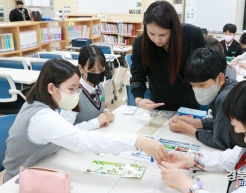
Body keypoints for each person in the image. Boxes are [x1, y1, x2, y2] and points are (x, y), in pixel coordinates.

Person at [3, 59, 169, 182]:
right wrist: (138, 141)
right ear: (51, 88)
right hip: (20, 182)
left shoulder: (38, 101)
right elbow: (83, 140)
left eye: (76, 89)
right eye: (71, 89)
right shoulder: (42, 118)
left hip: (43, 167)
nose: (76, 95)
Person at [159, 80, 246, 193]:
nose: (233, 130)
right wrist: (189, 159)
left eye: (235, 125)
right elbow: (229, 158)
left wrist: (184, 184)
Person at [130, 0, 207, 111]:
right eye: (151, 33)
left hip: (189, 103)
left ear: (173, 29)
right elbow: (137, 77)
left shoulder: (192, 35)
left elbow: (206, 67)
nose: (156, 39)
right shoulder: (140, 43)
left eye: (163, 34)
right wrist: (138, 100)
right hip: (159, 103)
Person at [169, 48, 237, 150]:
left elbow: (220, 142)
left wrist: (188, 129)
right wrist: (196, 123)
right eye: (193, 85)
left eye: (202, 85)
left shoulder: (225, 99)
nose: (197, 89)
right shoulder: (227, 86)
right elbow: (222, 122)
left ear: (220, 78)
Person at [60, 45, 114, 128]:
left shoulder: (99, 85)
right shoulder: (73, 94)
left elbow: (101, 105)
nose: (97, 73)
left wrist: (106, 112)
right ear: (81, 68)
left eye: (101, 69)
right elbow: (64, 130)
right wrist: (96, 122)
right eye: (92, 70)